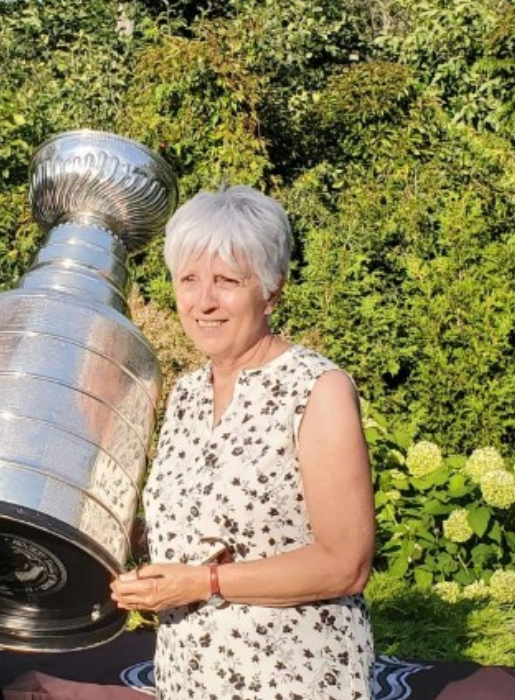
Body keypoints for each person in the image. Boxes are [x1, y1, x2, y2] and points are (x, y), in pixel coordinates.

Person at [110, 185, 375, 699]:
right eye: (189, 280)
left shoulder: (316, 389)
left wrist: (202, 583)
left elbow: (347, 563)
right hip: (188, 679)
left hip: (295, 679)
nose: (203, 301)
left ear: (271, 290)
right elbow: (190, 535)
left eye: (227, 281)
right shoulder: (186, 394)